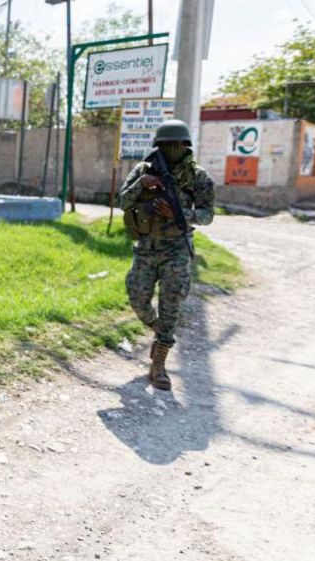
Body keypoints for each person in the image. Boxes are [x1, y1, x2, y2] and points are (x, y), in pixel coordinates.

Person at [119, 119, 215, 391]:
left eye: (177, 144)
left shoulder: (198, 177)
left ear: (186, 145)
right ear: (158, 146)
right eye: (166, 145)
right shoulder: (143, 170)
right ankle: (160, 331)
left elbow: (208, 215)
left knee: (171, 305)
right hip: (147, 248)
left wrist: (179, 213)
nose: (172, 148)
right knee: (137, 298)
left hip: (177, 250)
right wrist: (142, 184)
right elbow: (121, 201)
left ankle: (159, 362)